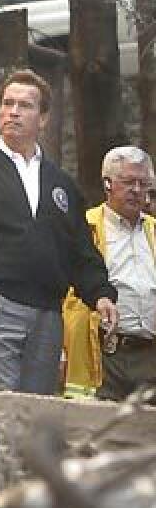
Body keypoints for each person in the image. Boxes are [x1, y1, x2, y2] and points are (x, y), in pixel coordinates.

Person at [0, 69, 118, 395]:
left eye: (25, 105)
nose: (13, 111)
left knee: (36, 415)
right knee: (1, 410)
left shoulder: (61, 184)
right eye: (7, 103)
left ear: (43, 118)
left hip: (47, 313)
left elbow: (80, 249)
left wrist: (100, 293)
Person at [63, 146, 156, 401]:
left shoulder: (154, 231)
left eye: (143, 183)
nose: (137, 190)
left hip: (149, 354)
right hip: (102, 352)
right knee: (95, 430)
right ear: (107, 184)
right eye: (128, 182)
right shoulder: (84, 227)